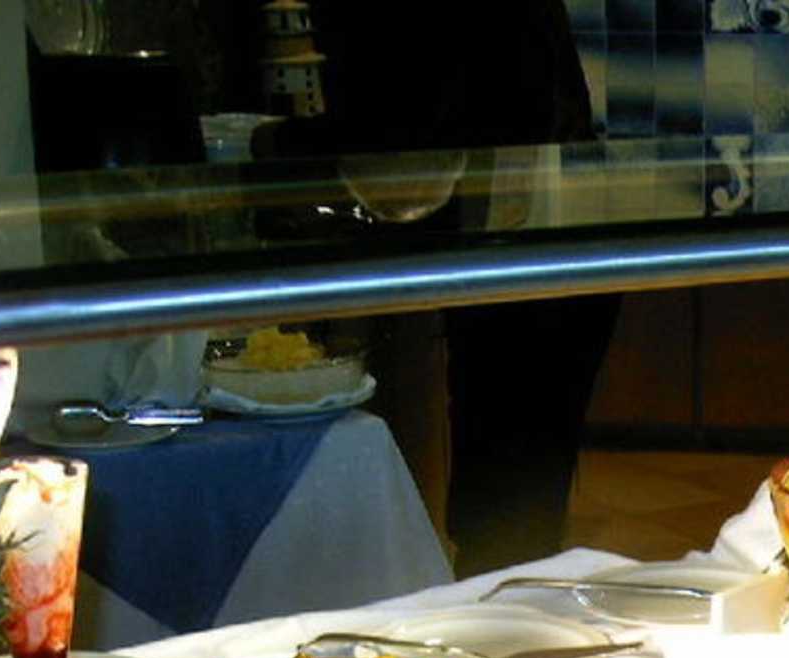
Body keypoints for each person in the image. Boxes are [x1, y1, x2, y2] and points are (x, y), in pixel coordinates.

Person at [238, 1, 621, 576]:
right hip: (529, 233)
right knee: (514, 503)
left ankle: (478, 601)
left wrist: (268, 145)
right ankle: (491, 594)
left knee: (504, 506)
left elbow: (405, 124)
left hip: (512, 239)